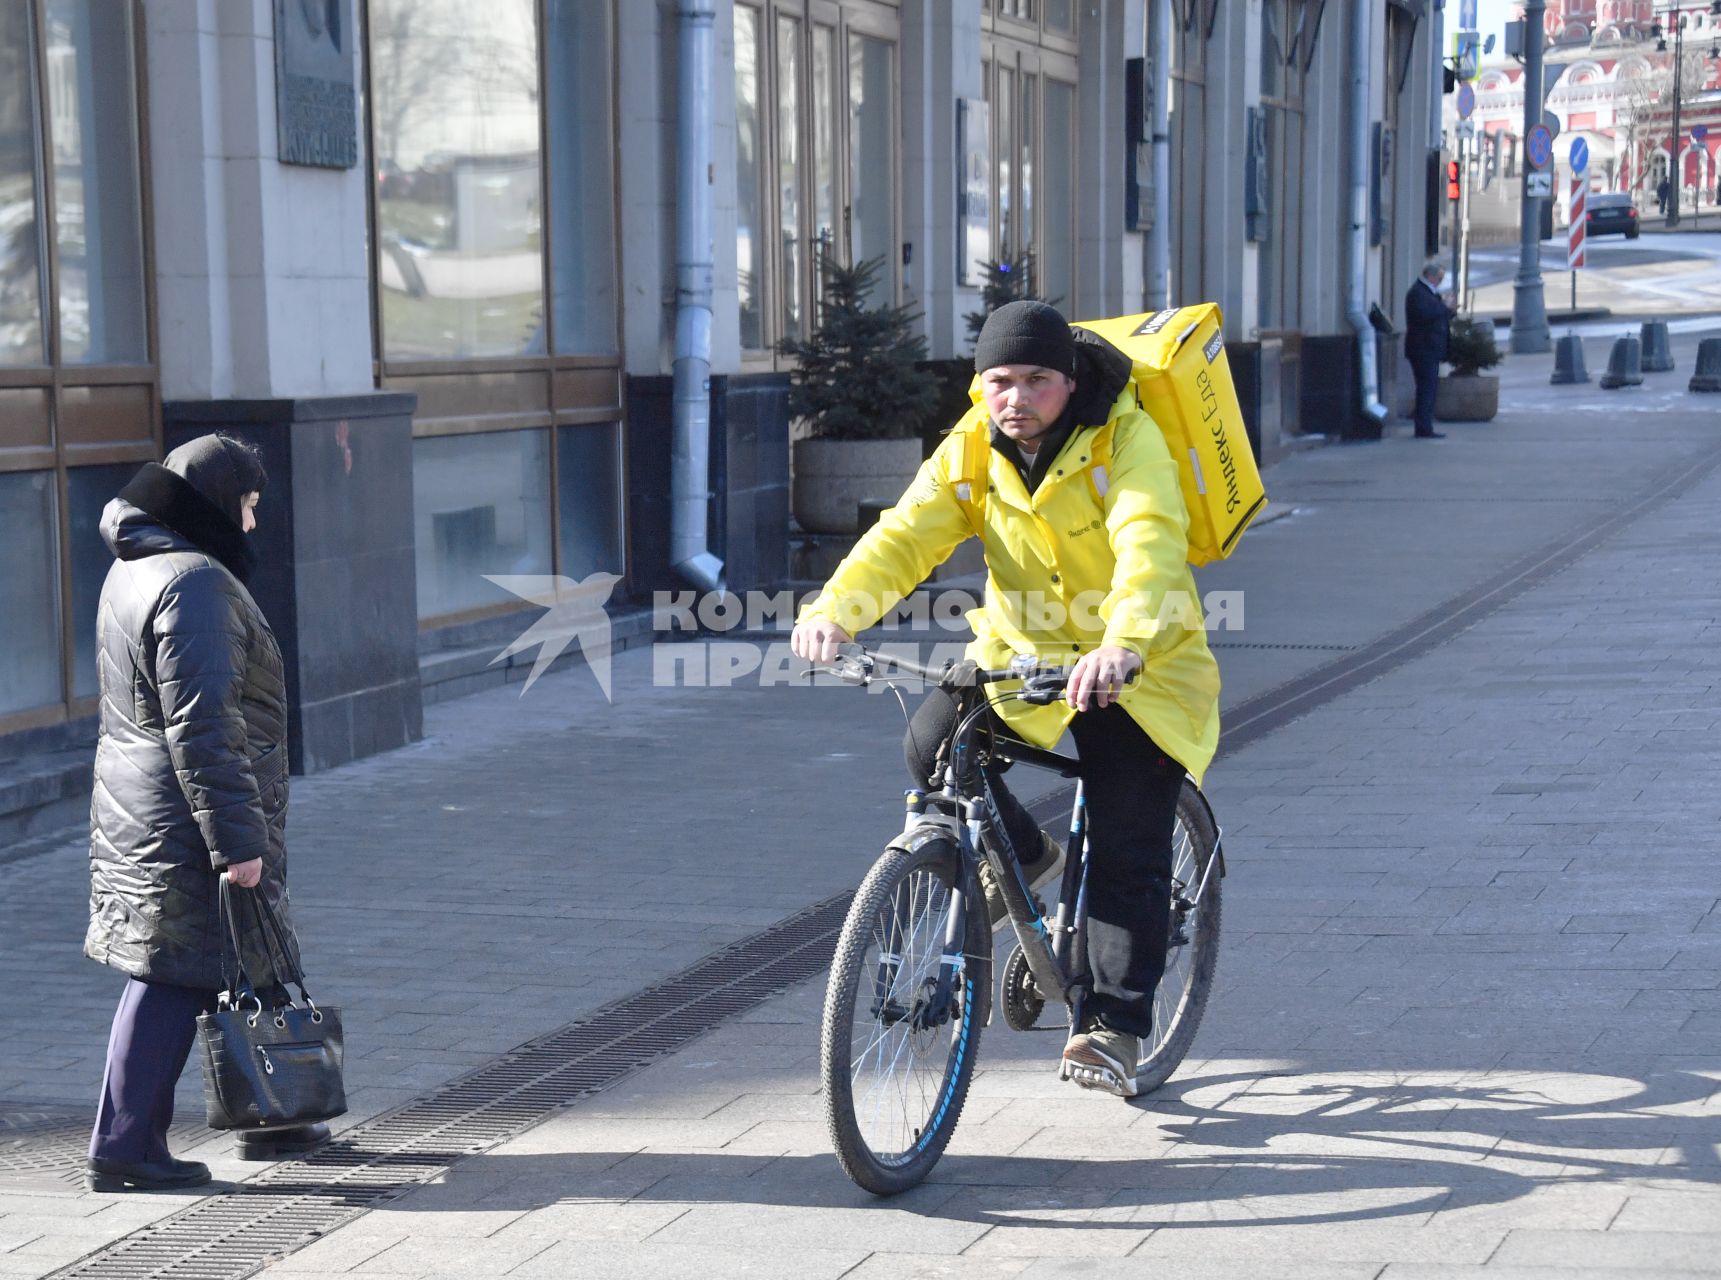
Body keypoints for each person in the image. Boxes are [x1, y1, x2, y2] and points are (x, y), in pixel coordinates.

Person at [791, 300, 1220, 1098]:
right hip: (1021, 657)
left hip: (1139, 662)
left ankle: (1112, 1028)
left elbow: (1148, 542)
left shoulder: (1126, 438)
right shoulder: (973, 447)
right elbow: (906, 533)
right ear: (978, 386)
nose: (1015, 398)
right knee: (930, 745)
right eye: (997, 381)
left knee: (1127, 836)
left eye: (1035, 380)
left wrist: (1121, 644)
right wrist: (834, 610)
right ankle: (1024, 854)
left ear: (1068, 381)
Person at [84, 434, 326, 1192]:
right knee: (174, 973)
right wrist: (237, 840)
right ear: (221, 502)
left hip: (150, 803)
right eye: (249, 506)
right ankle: (125, 1145)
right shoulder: (194, 584)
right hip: (185, 816)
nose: (253, 524)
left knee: (244, 950)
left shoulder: (138, 568)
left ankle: (278, 1117)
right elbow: (204, 725)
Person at [1404, 259, 1454, 440]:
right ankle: (1423, 427)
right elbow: (1425, 315)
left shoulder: (1428, 292)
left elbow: (1437, 315)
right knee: (1426, 388)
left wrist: (1449, 310)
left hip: (1429, 348)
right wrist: (1444, 307)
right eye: (1439, 278)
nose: (1440, 282)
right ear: (1430, 276)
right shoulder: (1418, 293)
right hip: (1423, 348)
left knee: (1429, 388)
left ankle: (1425, 424)